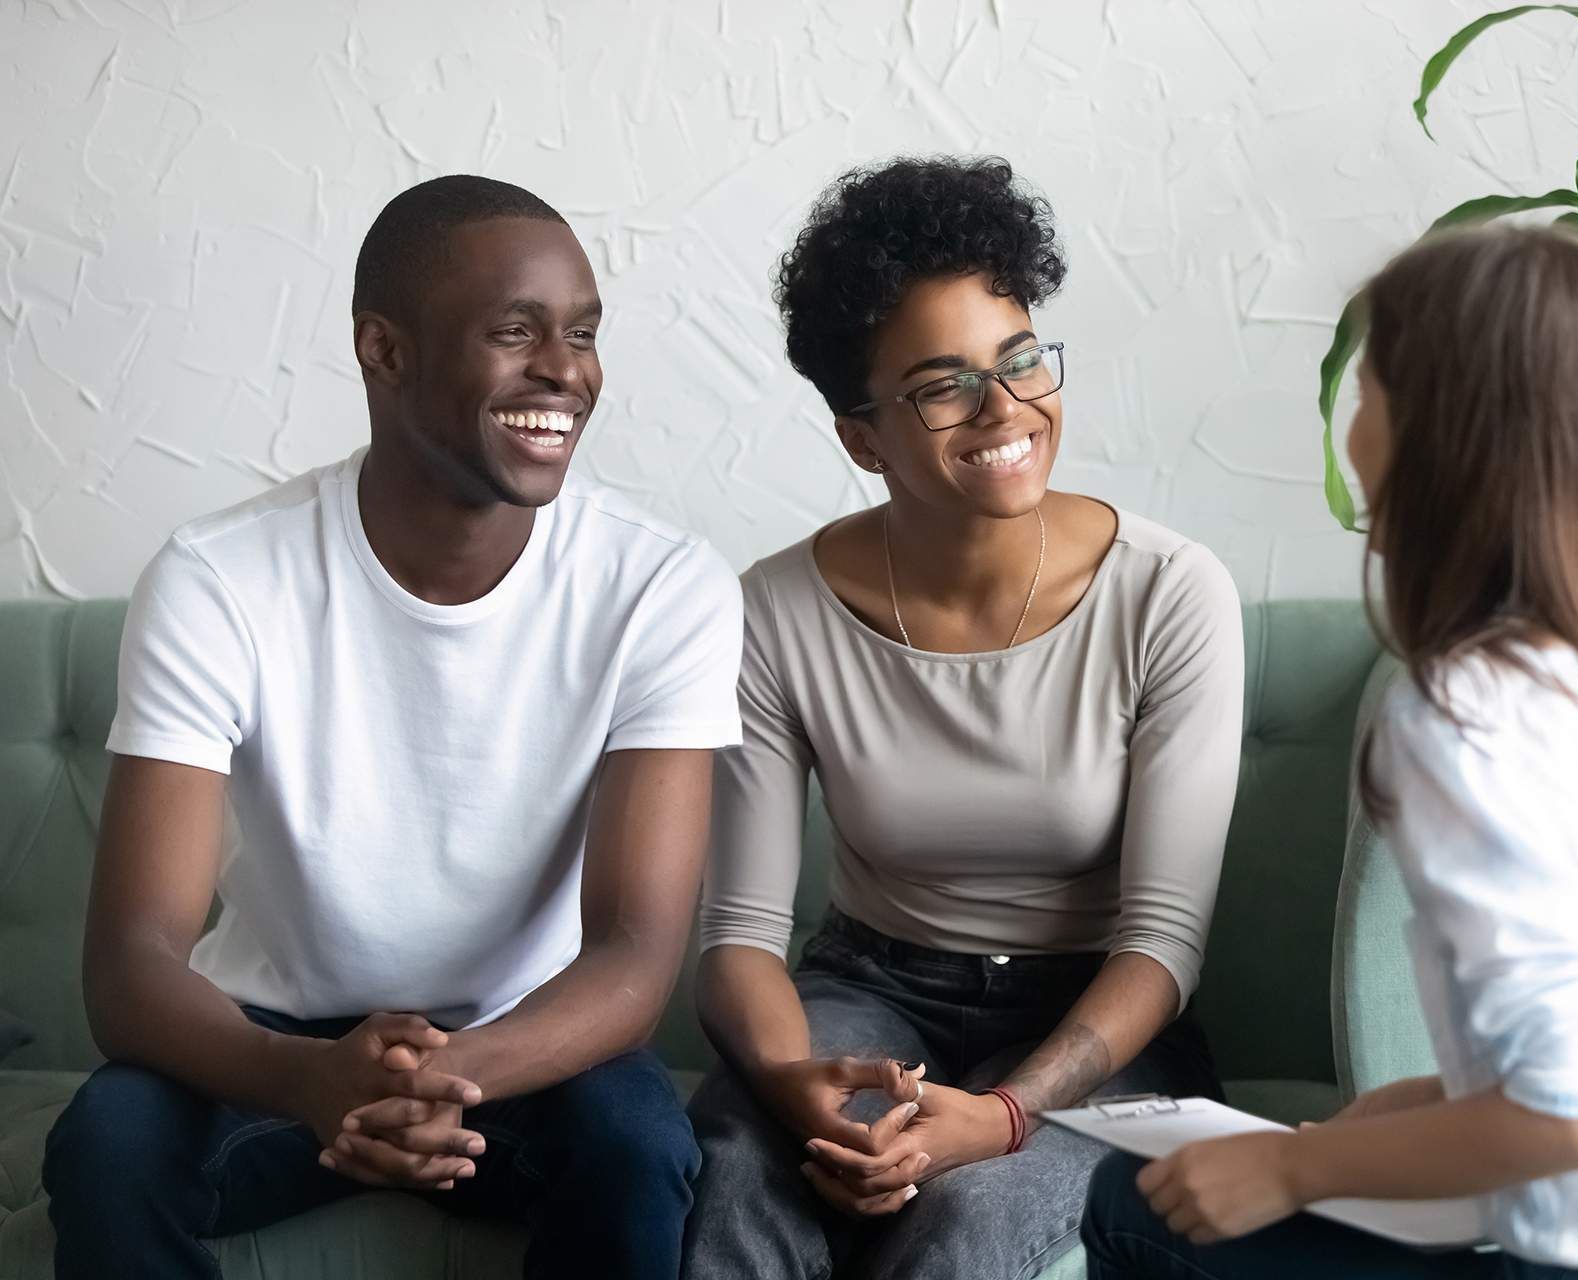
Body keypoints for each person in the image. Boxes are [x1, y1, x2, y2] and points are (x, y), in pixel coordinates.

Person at [1079, 225, 1578, 1279]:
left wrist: (1297, 1168)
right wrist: (1408, 1112)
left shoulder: (1479, 709)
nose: (1351, 424)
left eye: (1368, 388)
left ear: (1441, 431)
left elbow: (1572, 1113)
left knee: (1131, 1202)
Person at [41, 175, 744, 1279]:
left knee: (638, 1151)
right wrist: (305, 1077)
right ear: (385, 349)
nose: (566, 368)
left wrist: (437, 1075)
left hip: (535, 1039)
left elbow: (633, 952)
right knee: (105, 1149)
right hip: (269, 1035)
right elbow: (131, 959)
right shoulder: (219, 577)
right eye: (515, 330)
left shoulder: (663, 584)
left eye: (585, 332)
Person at [680, 155, 1244, 1280]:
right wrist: (795, 1082)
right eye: (943, 385)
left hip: (1098, 1017)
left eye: (1021, 358)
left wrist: (1007, 1114)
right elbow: (739, 931)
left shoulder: (1169, 592)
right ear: (862, 435)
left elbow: (1163, 941)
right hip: (870, 985)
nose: (1005, 410)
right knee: (742, 1164)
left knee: (967, 1221)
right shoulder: (775, 609)